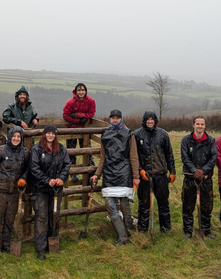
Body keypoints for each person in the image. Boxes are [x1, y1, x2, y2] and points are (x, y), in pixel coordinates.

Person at [90, 110, 140, 246]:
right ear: (110, 119)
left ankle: (129, 231)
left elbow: (133, 157)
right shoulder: (105, 135)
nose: (115, 120)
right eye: (113, 118)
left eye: (118, 118)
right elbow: (103, 158)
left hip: (124, 174)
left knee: (124, 205)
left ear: (121, 119)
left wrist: (136, 176)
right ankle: (123, 236)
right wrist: (97, 174)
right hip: (109, 174)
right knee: (110, 206)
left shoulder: (129, 134)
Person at [29, 125, 72, 260]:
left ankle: (52, 243)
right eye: (48, 133)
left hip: (56, 189)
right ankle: (40, 248)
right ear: (44, 135)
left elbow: (67, 164)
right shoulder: (36, 149)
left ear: (55, 135)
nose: (50, 136)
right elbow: (34, 168)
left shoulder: (61, 149)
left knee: (54, 215)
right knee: (41, 217)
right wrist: (47, 180)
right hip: (41, 188)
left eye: (53, 133)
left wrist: (61, 178)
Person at [0, 126, 30, 253]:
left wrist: (24, 178)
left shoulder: (25, 153)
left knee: (10, 221)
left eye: (18, 137)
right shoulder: (0, 150)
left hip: (14, 192)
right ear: (9, 137)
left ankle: (6, 244)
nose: (16, 139)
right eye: (14, 136)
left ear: (21, 138)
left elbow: (28, 168)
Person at [134, 110, 176, 233]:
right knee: (144, 204)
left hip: (161, 175)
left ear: (155, 121)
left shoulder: (163, 134)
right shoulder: (137, 135)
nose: (150, 121)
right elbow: (134, 156)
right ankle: (142, 230)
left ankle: (166, 229)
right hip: (145, 176)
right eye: (148, 119)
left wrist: (172, 171)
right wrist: (140, 170)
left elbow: (169, 154)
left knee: (163, 203)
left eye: (152, 119)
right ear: (144, 120)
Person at [180, 116, 218, 238]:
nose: (200, 126)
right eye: (197, 124)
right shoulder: (186, 140)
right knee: (188, 205)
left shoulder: (211, 141)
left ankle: (206, 230)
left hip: (205, 179)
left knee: (207, 205)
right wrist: (194, 170)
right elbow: (185, 158)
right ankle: (188, 231)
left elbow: (213, 158)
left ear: (205, 126)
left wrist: (203, 171)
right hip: (190, 178)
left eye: (202, 124)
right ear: (193, 125)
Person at [62, 83, 96, 181]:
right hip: (72, 129)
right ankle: (72, 172)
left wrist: (77, 115)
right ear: (76, 92)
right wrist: (78, 120)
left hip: (84, 130)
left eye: (82, 90)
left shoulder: (91, 101)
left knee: (87, 150)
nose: (81, 92)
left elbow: (91, 113)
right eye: (79, 90)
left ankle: (91, 172)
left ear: (85, 91)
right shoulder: (70, 102)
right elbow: (65, 115)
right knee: (71, 151)